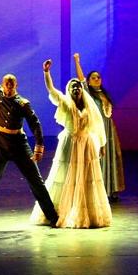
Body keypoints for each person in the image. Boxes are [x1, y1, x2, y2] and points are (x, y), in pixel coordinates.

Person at [0, 40, 58, 231]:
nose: (8, 87)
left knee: (36, 182)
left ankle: (53, 217)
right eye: (6, 84)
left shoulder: (22, 103)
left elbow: (35, 123)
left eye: (12, 84)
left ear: (16, 85)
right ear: (3, 85)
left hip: (19, 146)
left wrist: (39, 146)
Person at [30, 57, 111, 228]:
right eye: (72, 86)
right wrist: (46, 73)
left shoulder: (89, 106)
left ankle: (86, 212)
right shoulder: (66, 103)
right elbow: (52, 90)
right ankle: (58, 211)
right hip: (70, 143)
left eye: (78, 86)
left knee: (86, 177)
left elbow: (98, 124)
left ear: (82, 89)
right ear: (69, 90)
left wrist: (102, 144)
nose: (76, 88)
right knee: (65, 174)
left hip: (86, 144)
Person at [74, 53, 125, 201]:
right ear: (89, 82)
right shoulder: (88, 94)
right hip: (96, 130)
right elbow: (81, 79)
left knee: (111, 157)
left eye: (98, 77)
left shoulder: (104, 94)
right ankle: (98, 191)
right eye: (93, 78)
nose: (97, 79)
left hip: (108, 129)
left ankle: (110, 190)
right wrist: (77, 61)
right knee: (98, 158)